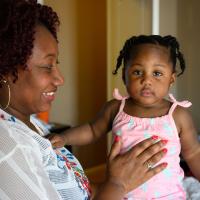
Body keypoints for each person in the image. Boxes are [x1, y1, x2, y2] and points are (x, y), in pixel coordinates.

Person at [0, 1, 168, 200]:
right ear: (6, 69)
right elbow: (92, 129)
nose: (60, 79)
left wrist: (122, 180)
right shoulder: (10, 149)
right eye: (47, 66)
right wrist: (118, 184)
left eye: (57, 63)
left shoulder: (30, 124)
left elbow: (78, 189)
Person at [50, 35, 200, 199]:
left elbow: (193, 153)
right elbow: (92, 130)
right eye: (137, 72)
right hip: (121, 194)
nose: (147, 80)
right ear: (124, 76)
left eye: (157, 73)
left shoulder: (178, 115)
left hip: (169, 196)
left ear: (171, 79)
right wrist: (64, 138)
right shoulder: (115, 108)